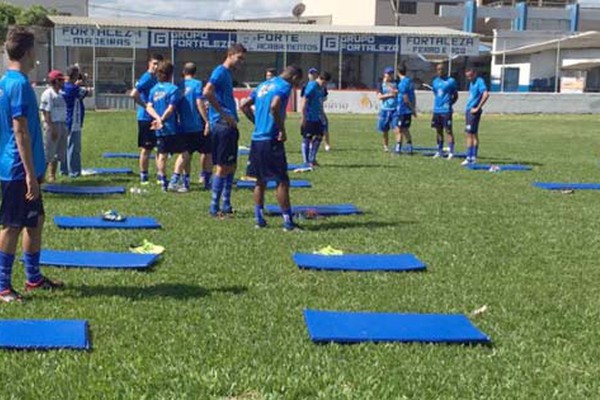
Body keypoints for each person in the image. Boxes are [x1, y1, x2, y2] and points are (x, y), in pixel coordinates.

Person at [0, 27, 64, 303]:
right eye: (35, 48)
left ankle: (33, 278)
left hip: (23, 166)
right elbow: (20, 131)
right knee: (12, 225)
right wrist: (29, 174)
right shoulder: (19, 84)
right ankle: (2, 286)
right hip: (17, 169)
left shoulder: (8, 81)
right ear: (28, 52)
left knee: (35, 221)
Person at [241, 66, 304, 231]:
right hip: (271, 139)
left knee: (260, 180)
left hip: (257, 139)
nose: (297, 85)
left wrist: (257, 122)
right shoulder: (284, 86)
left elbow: (244, 105)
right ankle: (288, 222)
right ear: (294, 77)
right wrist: (281, 129)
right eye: (298, 82)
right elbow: (275, 106)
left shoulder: (263, 85)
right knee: (282, 181)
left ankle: (259, 219)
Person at [203, 43, 247, 217]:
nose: (241, 62)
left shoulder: (227, 74)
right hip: (222, 125)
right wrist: (223, 114)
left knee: (232, 165)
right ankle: (214, 208)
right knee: (222, 167)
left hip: (229, 125)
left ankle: (226, 204)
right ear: (230, 54)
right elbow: (207, 92)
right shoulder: (220, 72)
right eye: (239, 58)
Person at [145, 61, 183, 192]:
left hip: (159, 127)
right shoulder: (173, 89)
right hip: (171, 127)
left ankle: (163, 181)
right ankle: (175, 179)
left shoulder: (154, 90)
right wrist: (161, 119)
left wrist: (156, 118)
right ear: (171, 74)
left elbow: (148, 107)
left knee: (162, 154)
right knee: (185, 153)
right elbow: (171, 108)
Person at [176, 62, 211, 192]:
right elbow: (199, 102)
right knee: (207, 152)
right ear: (195, 72)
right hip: (197, 125)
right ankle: (206, 181)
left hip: (183, 125)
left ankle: (186, 182)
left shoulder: (179, 86)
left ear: (183, 72)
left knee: (186, 155)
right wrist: (206, 120)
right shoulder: (197, 84)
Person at [130, 53, 164, 184]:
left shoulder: (157, 79)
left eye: (158, 64)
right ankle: (143, 175)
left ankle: (160, 175)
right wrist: (145, 106)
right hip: (145, 118)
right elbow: (133, 94)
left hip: (156, 117)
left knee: (159, 147)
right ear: (149, 63)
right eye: (154, 63)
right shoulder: (147, 77)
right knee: (146, 148)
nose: (156, 66)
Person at [61, 64, 90, 178]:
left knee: (63, 146)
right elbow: (89, 92)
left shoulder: (63, 86)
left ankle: (63, 170)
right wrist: (85, 81)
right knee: (74, 147)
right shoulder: (74, 89)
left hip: (63, 119)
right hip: (74, 120)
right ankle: (74, 171)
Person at [39, 69, 68, 182]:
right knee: (48, 152)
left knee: (57, 153)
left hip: (61, 123)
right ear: (55, 81)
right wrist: (52, 128)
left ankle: (52, 176)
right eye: (61, 80)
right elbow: (46, 112)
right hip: (52, 124)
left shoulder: (60, 94)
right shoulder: (48, 94)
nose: (63, 82)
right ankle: (41, 177)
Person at [462, 66, 490, 166]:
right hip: (469, 110)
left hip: (473, 112)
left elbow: (486, 94)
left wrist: (478, 107)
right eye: (467, 77)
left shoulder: (479, 81)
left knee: (470, 134)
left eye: (470, 76)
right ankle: (472, 157)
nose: (469, 78)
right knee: (472, 134)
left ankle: (470, 157)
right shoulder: (472, 83)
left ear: (474, 73)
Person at [300, 71, 330, 166]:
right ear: (321, 79)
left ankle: (312, 159)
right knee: (307, 137)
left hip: (318, 116)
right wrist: (303, 116)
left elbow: (319, 102)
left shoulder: (321, 88)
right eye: (324, 83)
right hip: (309, 116)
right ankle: (306, 161)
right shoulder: (312, 86)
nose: (324, 85)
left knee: (319, 137)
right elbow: (305, 100)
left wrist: (322, 114)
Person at [431, 63, 458, 159]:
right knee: (438, 131)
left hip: (446, 110)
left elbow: (455, 95)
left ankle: (451, 151)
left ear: (445, 70)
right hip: (437, 110)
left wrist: (449, 104)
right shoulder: (435, 82)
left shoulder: (451, 81)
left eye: (442, 69)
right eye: (438, 69)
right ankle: (439, 150)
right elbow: (435, 93)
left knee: (448, 130)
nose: (440, 71)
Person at [395, 65, 417, 155]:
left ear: (398, 72)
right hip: (407, 110)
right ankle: (409, 147)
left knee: (399, 129)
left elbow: (405, 97)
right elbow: (412, 95)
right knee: (405, 129)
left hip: (403, 109)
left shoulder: (402, 83)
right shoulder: (409, 82)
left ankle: (398, 148)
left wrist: (412, 109)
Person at [376, 67, 398, 153]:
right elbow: (379, 97)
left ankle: (398, 146)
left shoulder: (396, 82)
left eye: (391, 74)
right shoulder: (381, 83)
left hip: (395, 109)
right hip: (385, 109)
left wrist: (396, 93)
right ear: (385, 74)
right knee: (384, 129)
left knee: (396, 128)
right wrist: (390, 95)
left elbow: (399, 92)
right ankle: (386, 146)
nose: (390, 75)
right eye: (388, 74)